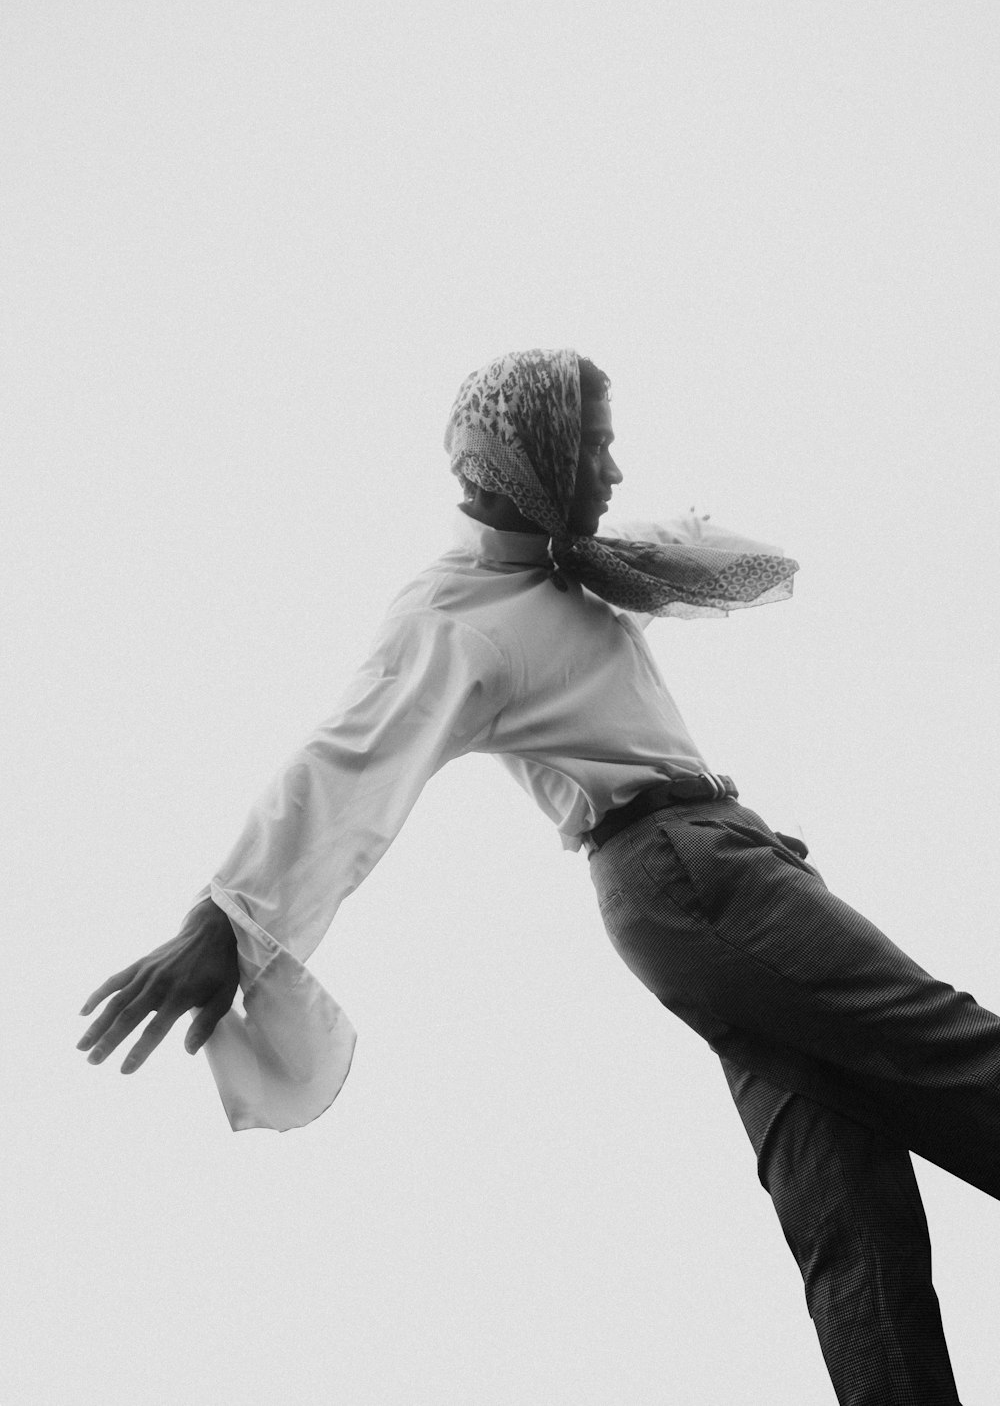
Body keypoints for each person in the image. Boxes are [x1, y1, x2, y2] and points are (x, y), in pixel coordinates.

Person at [78, 347, 996, 1404]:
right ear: (537, 452)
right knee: (944, 1046)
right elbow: (340, 764)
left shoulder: (576, 572)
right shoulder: (452, 611)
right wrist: (224, 919)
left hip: (691, 887)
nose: (614, 468)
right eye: (595, 445)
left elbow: (756, 567)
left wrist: (607, 553)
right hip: (686, 869)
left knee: (844, 1200)